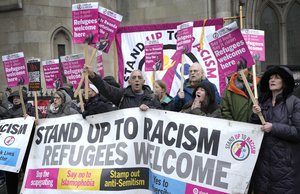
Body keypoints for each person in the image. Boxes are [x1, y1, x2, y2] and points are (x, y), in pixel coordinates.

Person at [251, 66, 300, 194]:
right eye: (271, 78)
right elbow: (255, 130)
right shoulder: (263, 104)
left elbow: (297, 132)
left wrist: (274, 127)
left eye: (277, 78)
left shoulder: (294, 103)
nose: (272, 80)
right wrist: (255, 115)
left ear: (284, 82)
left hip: (286, 169)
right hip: (263, 168)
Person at [6, 89, 42, 194]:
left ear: (24, 98)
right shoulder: (8, 112)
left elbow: (39, 119)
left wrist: (31, 118)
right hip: (13, 148)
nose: (15, 99)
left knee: (27, 171)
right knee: (10, 173)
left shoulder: (30, 109)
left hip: (27, 147)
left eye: (18, 97)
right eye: (14, 98)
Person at [85, 67, 161, 111]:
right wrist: (93, 76)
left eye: (139, 77)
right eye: (134, 78)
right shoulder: (122, 95)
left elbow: (161, 115)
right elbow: (106, 89)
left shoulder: (152, 97)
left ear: (143, 82)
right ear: (129, 82)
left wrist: (149, 109)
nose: (137, 80)